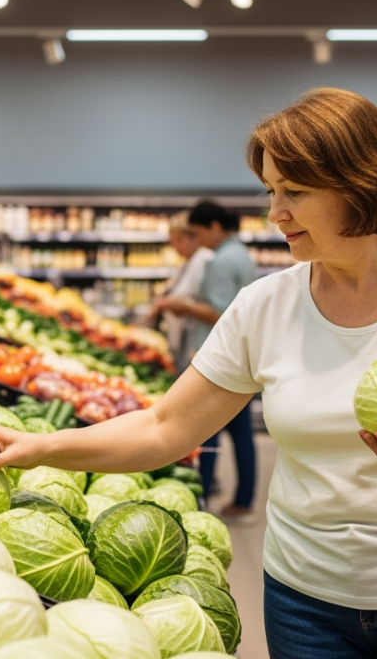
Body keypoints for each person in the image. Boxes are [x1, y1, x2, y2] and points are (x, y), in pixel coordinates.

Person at [0, 87, 377, 658]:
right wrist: (41, 447)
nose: (275, 212)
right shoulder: (265, 306)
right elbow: (165, 427)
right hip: (304, 602)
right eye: (270, 191)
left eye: (295, 191)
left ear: (359, 184)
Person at [157, 200, 259, 518]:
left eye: (199, 233)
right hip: (241, 356)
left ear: (215, 226)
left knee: (206, 431)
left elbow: (220, 311)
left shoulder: (220, 262)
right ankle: (243, 499)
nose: (198, 241)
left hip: (218, 357)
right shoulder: (241, 254)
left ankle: (201, 495)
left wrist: (184, 306)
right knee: (242, 434)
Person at [149, 211, 216, 373]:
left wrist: (179, 304)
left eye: (179, 240)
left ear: (195, 237)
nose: (175, 246)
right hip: (183, 343)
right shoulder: (188, 262)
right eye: (173, 240)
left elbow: (210, 306)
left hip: (197, 344)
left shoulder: (205, 261)